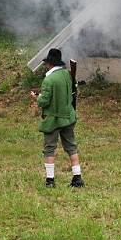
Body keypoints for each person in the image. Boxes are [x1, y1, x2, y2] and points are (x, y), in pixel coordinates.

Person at [30, 48, 84, 188]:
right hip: (68, 117)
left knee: (49, 149)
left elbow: (44, 102)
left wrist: (38, 97)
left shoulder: (49, 79)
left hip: (53, 120)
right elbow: (73, 90)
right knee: (71, 147)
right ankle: (77, 177)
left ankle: (50, 180)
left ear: (50, 63)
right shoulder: (67, 75)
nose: (46, 65)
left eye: (47, 63)